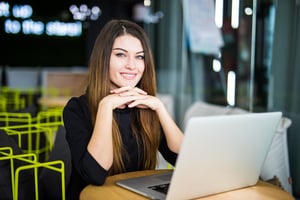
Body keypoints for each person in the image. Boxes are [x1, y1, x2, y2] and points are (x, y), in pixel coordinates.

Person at [63, 19, 183, 199]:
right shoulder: (77, 109)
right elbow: (96, 174)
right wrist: (106, 105)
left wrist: (160, 108)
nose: (132, 65)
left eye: (139, 56)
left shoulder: (146, 107)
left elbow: (184, 161)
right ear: (103, 59)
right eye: (120, 55)